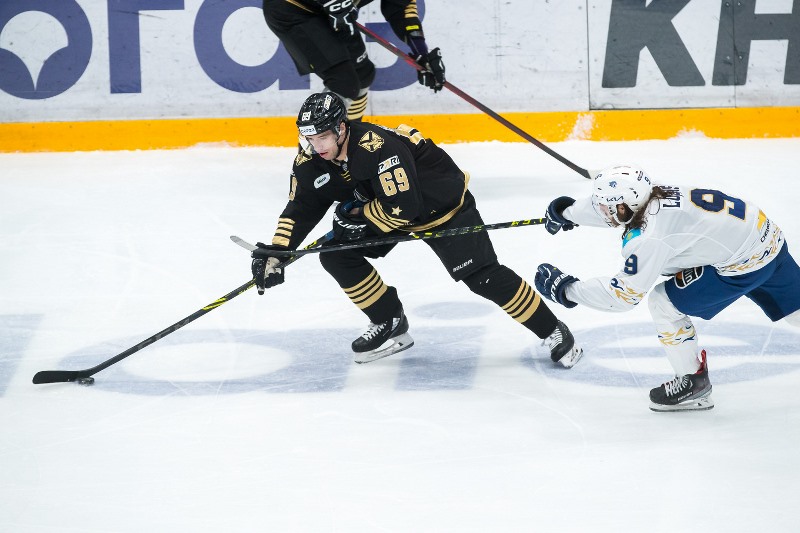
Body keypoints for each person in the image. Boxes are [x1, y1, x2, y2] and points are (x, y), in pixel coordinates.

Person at [250, 92, 583, 367]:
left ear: (341, 128)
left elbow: (404, 208)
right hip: (386, 204)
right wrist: (277, 250)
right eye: (309, 137)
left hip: (442, 208)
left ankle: (553, 329)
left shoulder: (376, 147)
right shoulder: (311, 159)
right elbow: (301, 205)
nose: (317, 145)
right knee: (337, 256)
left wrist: (359, 218)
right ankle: (388, 318)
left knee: (483, 277)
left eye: (323, 136)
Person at [534, 165, 800, 412]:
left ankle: (693, 383)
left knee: (663, 302)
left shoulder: (650, 237)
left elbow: (622, 296)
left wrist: (567, 289)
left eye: (607, 207)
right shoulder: (652, 195)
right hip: (767, 237)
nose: (602, 211)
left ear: (625, 205)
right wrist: (566, 212)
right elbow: (619, 211)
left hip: (743, 262)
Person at [262, 0, 445, 121]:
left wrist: (420, 51)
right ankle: (312, 161)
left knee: (363, 75)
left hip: (335, 12)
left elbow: (401, 8)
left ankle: (347, 149)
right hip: (293, 9)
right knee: (344, 82)